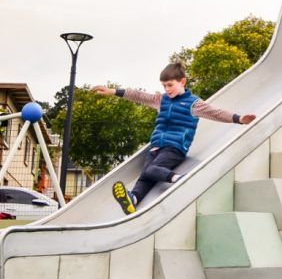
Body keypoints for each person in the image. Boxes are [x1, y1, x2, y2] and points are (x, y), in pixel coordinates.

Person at [93, 62, 255, 216]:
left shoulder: (193, 104)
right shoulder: (161, 100)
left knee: (150, 170)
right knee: (146, 175)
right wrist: (113, 92)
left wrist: (239, 119)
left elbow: (216, 113)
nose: (167, 89)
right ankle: (133, 199)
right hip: (156, 146)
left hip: (175, 148)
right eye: (164, 86)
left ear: (182, 81)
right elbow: (139, 96)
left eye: (170, 85)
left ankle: (179, 179)